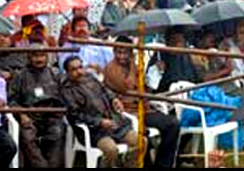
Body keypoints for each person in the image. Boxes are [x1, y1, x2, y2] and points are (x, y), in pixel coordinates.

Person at [103, 36, 180, 168]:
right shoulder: (111, 68)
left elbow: (143, 88)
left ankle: (163, 164)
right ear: (114, 52)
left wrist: (156, 72)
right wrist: (133, 63)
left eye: (125, 53)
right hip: (126, 113)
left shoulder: (133, 67)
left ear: (130, 52)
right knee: (145, 137)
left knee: (173, 124)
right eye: (118, 52)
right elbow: (128, 86)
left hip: (143, 109)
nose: (121, 56)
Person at [61, 56, 142, 168]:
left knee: (140, 141)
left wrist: (114, 99)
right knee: (111, 149)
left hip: (113, 123)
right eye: (74, 70)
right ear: (67, 72)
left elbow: (105, 90)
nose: (79, 72)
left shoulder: (90, 78)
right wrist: (99, 122)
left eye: (80, 67)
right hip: (94, 131)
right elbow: (75, 116)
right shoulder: (67, 90)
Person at [8, 47, 65, 168]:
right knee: (27, 136)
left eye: (42, 55)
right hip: (29, 115)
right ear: (29, 57)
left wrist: (57, 111)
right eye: (35, 56)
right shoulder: (20, 75)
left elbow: (64, 97)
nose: (39, 59)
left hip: (51, 114)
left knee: (57, 132)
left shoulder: (55, 74)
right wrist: (22, 115)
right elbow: (11, 100)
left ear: (47, 57)